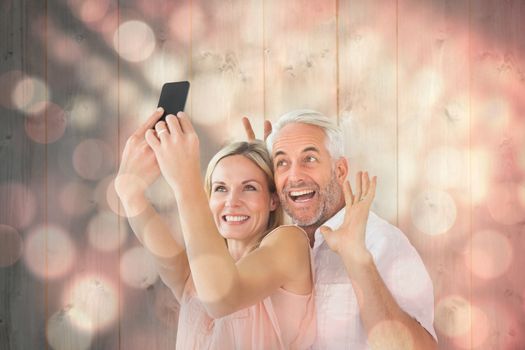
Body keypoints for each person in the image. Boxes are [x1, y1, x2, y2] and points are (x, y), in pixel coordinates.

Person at [115, 108, 331, 349]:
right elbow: (137, 206)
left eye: (249, 187)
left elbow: (222, 298)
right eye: (220, 188)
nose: (232, 201)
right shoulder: (195, 275)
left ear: (272, 200)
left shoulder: (290, 243)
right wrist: (128, 189)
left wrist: (186, 181)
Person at [243, 109, 438, 349]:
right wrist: (254, 183)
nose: (294, 176)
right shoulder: (273, 246)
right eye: (282, 162)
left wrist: (357, 259)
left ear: (340, 170)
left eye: (309, 159)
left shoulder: (383, 242)